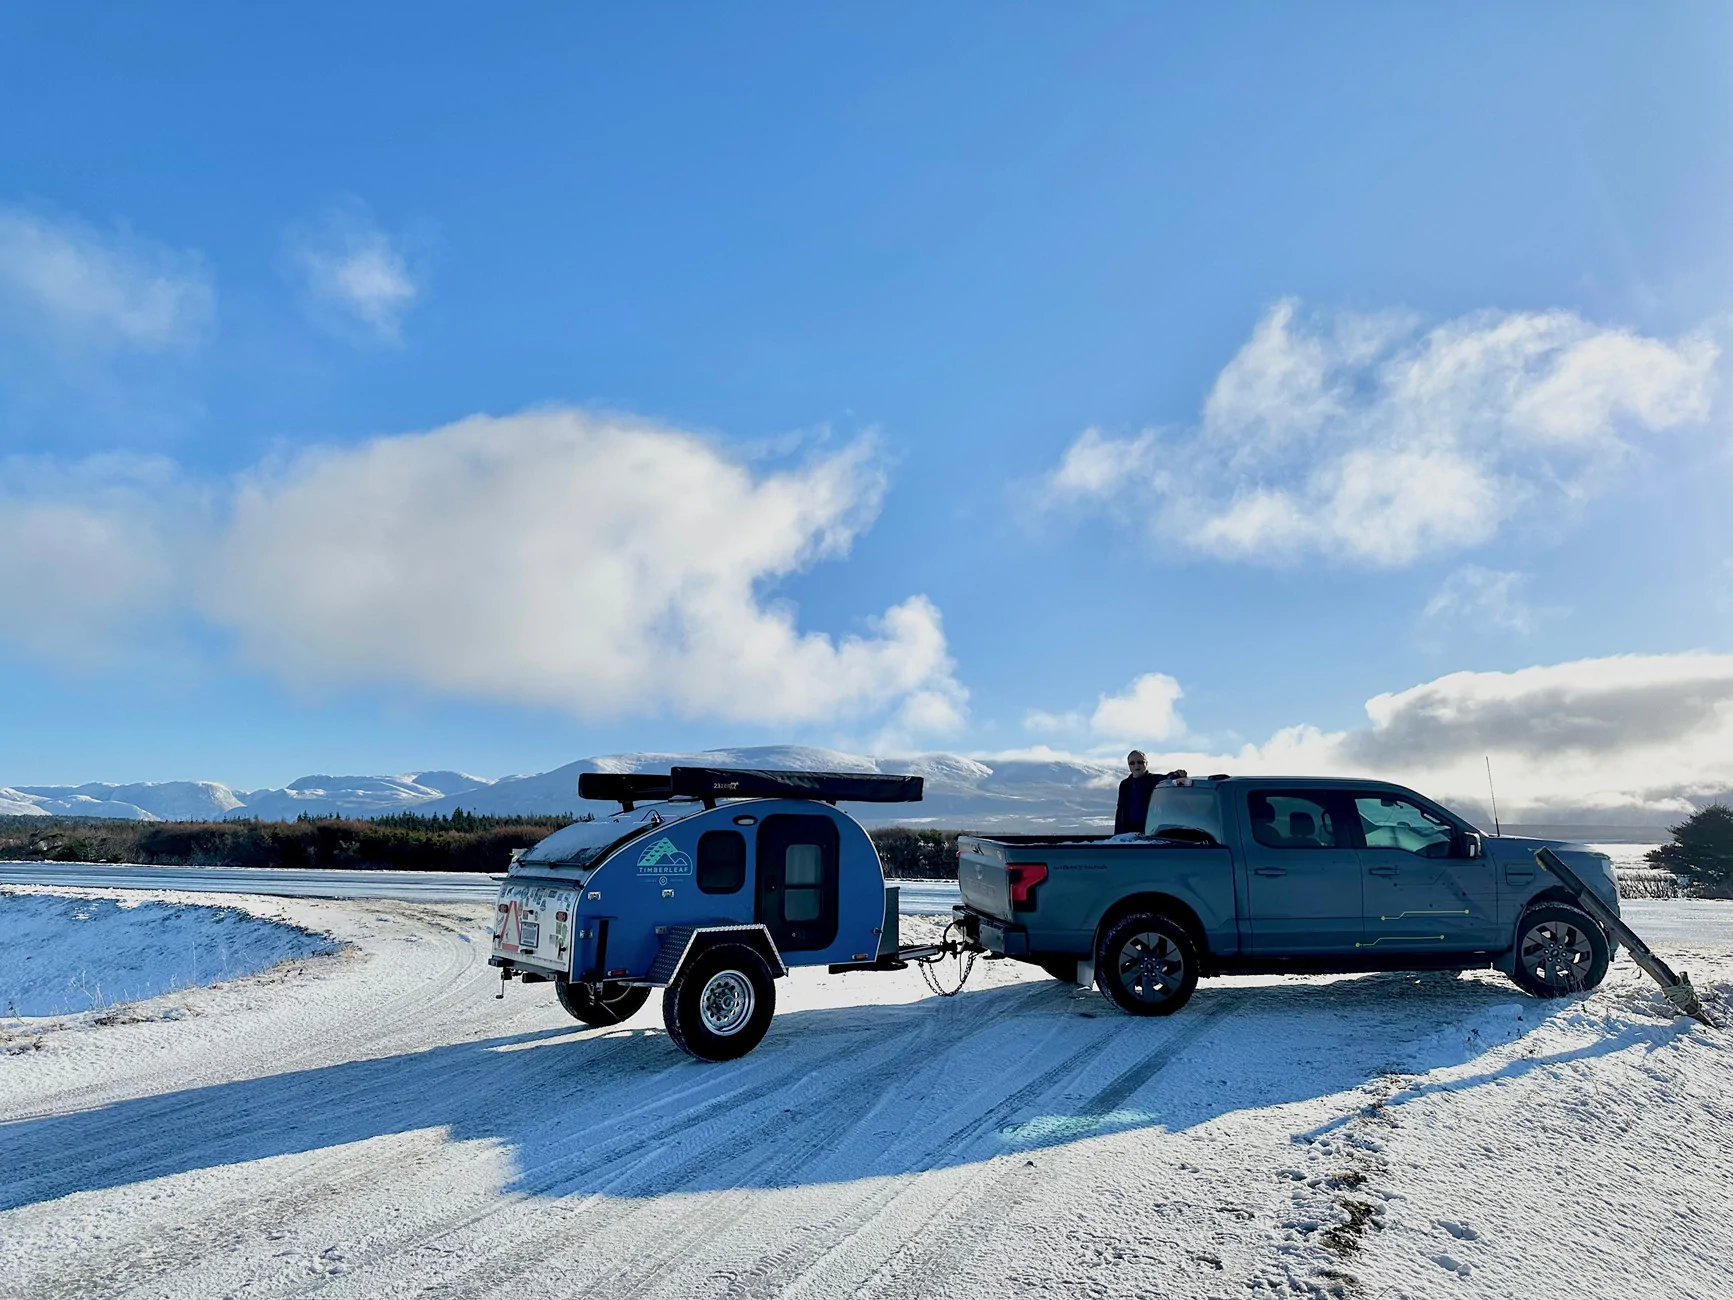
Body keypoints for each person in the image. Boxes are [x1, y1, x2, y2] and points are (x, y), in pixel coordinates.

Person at [1114, 750, 1160, 836]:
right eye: (1132, 763)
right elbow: (1120, 811)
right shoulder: (1125, 785)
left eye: (1140, 762)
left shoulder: (1155, 780)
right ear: (1129, 766)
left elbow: (1169, 777)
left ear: (1146, 763)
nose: (1136, 765)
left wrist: (1178, 774)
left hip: (1150, 834)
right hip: (1129, 835)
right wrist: (1117, 836)